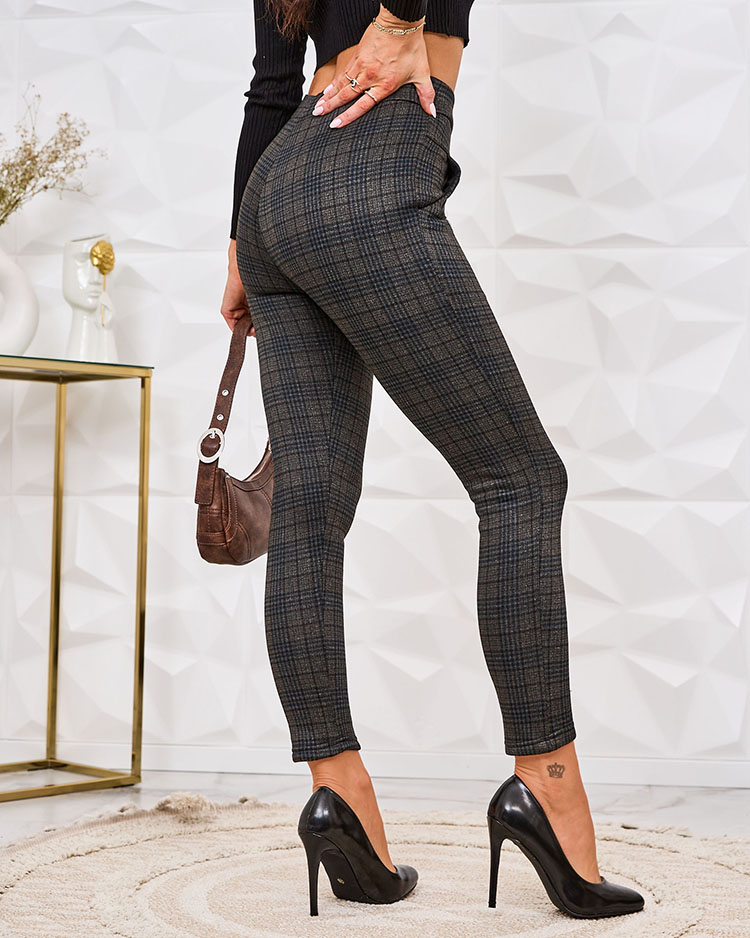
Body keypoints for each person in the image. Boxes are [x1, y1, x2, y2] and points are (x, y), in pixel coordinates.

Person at [221, 0, 645, 920]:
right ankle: (547, 782)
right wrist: (398, 17)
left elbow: (269, 86)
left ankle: (339, 796)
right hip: (369, 169)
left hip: (274, 196)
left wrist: (238, 248)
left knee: (309, 512)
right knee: (521, 481)